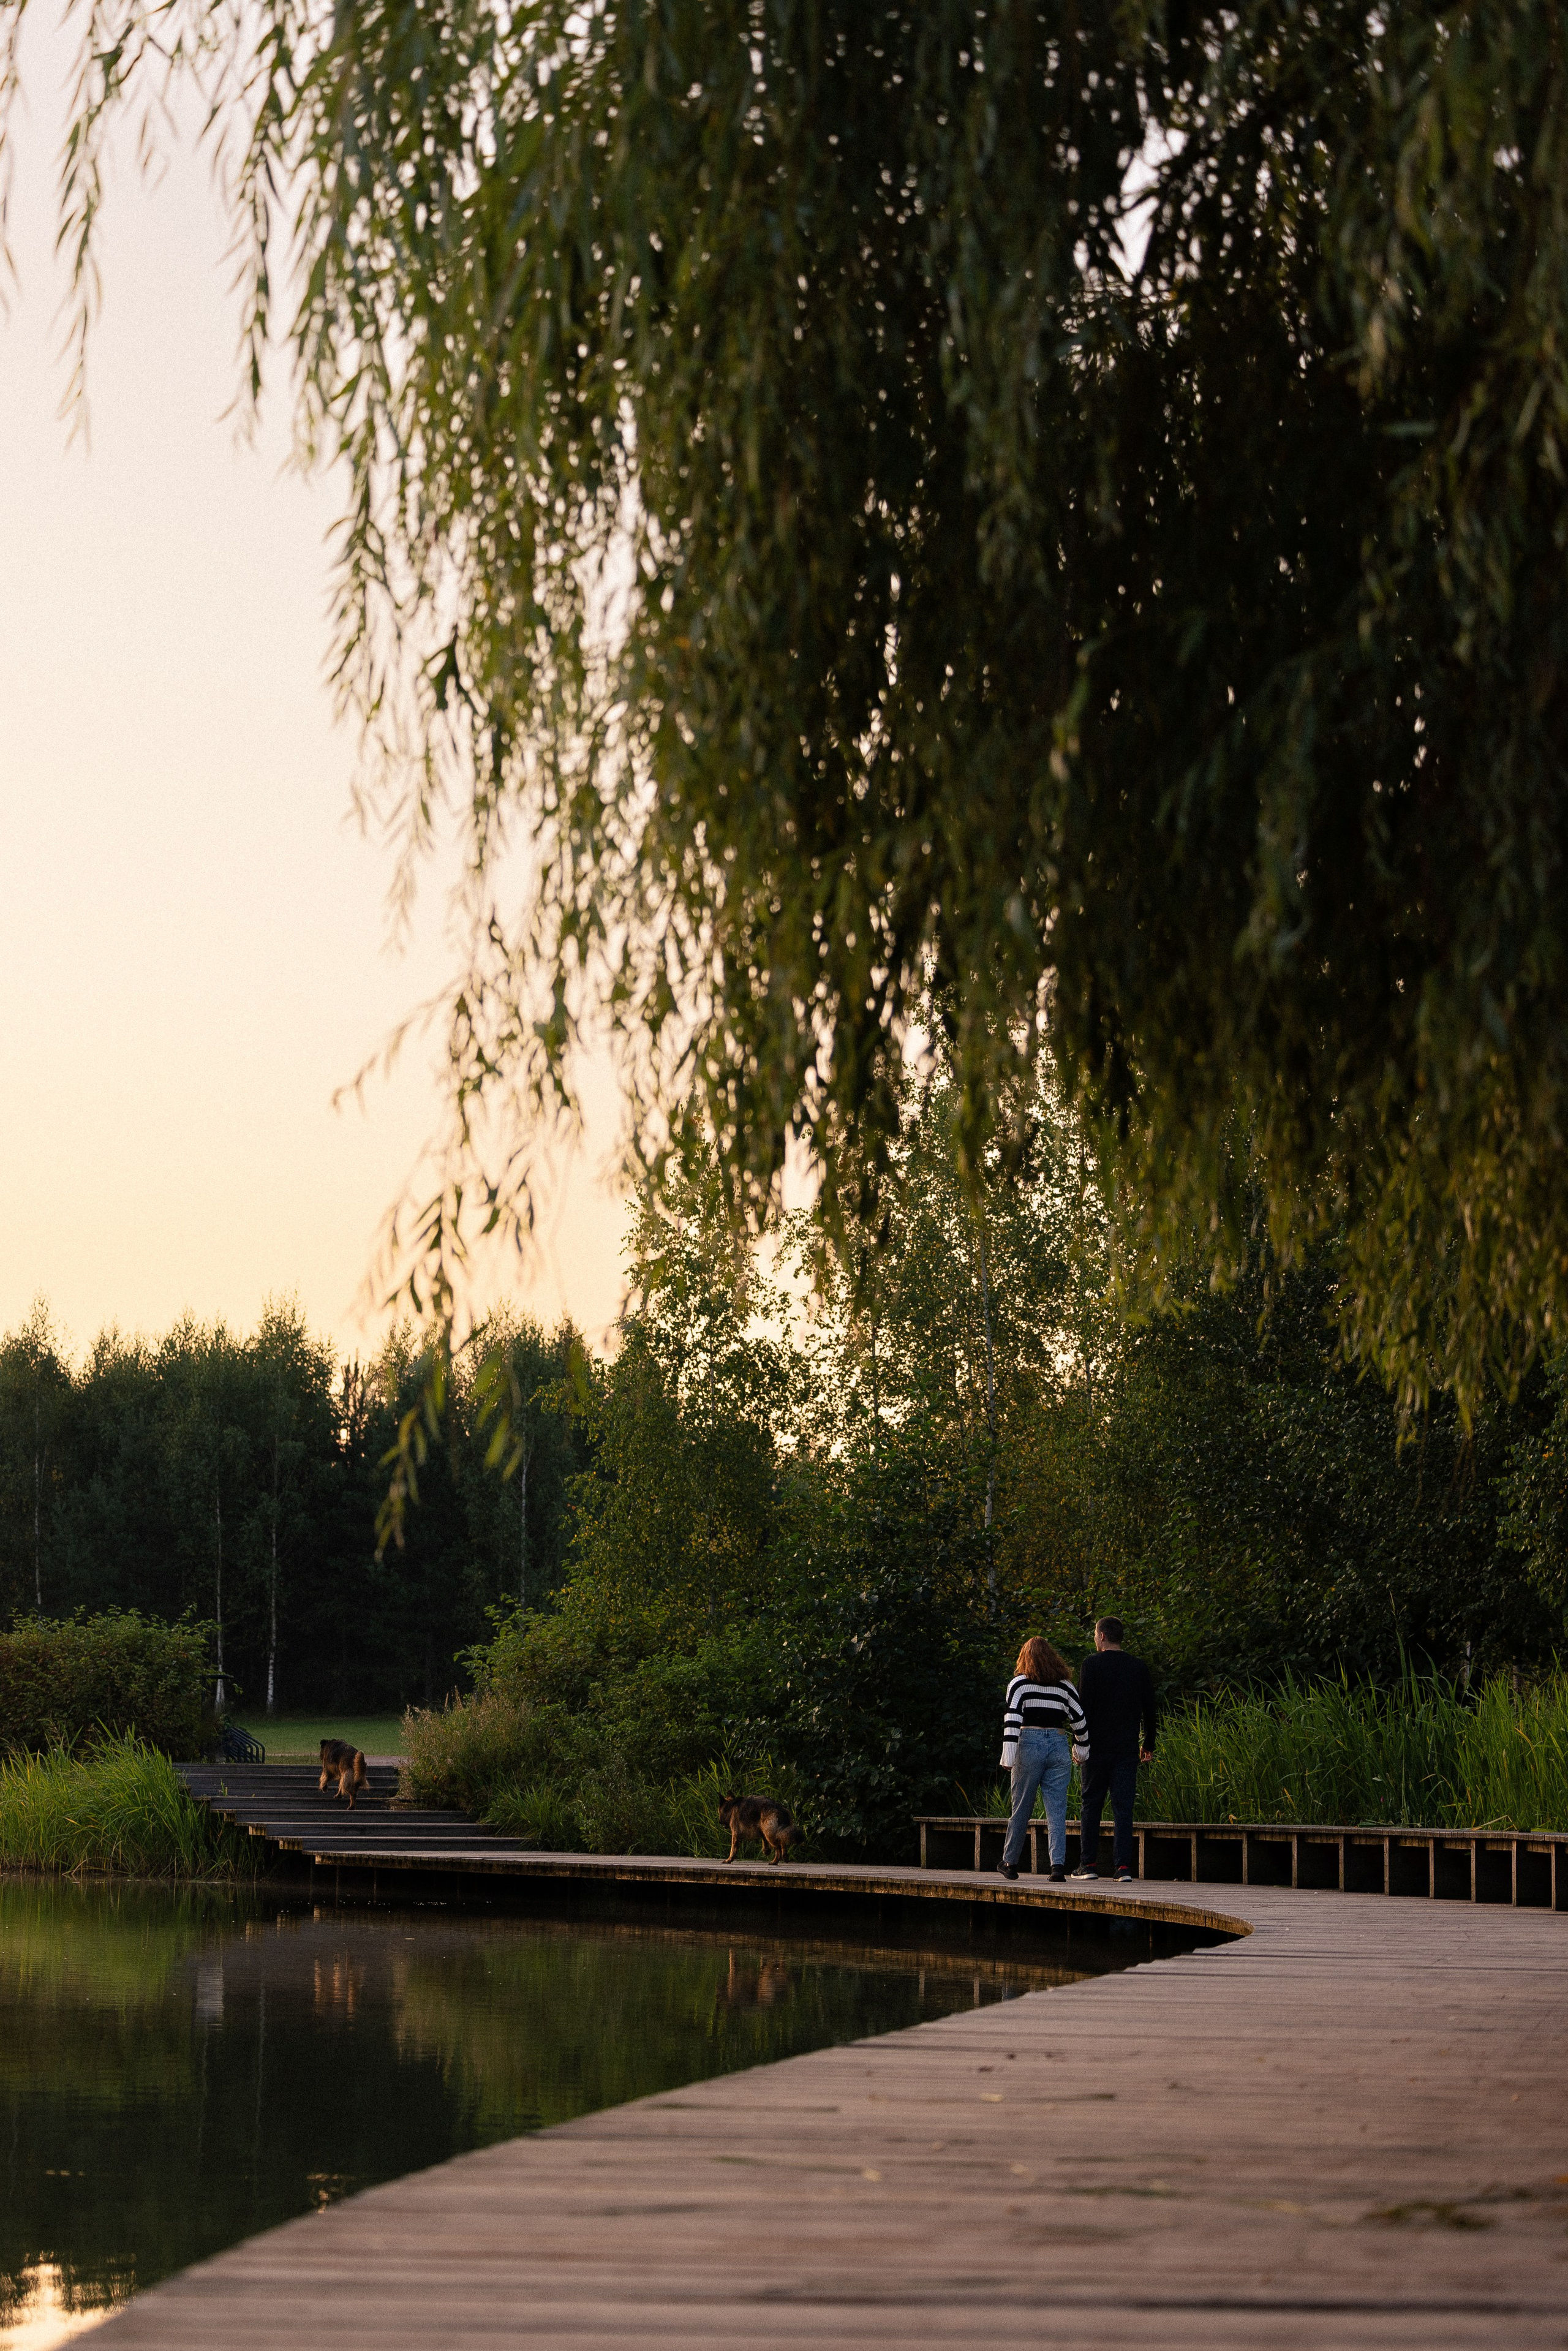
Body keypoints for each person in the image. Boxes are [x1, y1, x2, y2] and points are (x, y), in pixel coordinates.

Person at [997, 1636, 1089, 1882]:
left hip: (1029, 1743)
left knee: (1022, 1807)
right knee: (1057, 1810)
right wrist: (1082, 1749)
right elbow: (1079, 1720)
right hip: (1059, 1743)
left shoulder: (1019, 1684)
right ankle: (1057, 1868)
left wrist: (1008, 1755)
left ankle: (1010, 1862)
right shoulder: (1065, 1686)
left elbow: (1013, 1720)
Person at [1072, 1616, 1158, 1883]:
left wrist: (1079, 1743)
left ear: (1102, 1637)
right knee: (1123, 1807)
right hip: (1126, 1748)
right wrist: (1149, 1743)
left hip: (1096, 1748)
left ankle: (1088, 1864)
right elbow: (1150, 1708)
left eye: (1095, 1634)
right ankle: (1123, 1868)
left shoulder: (1091, 1664)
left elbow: (1082, 1708)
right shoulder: (1138, 1667)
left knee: (1091, 1804)